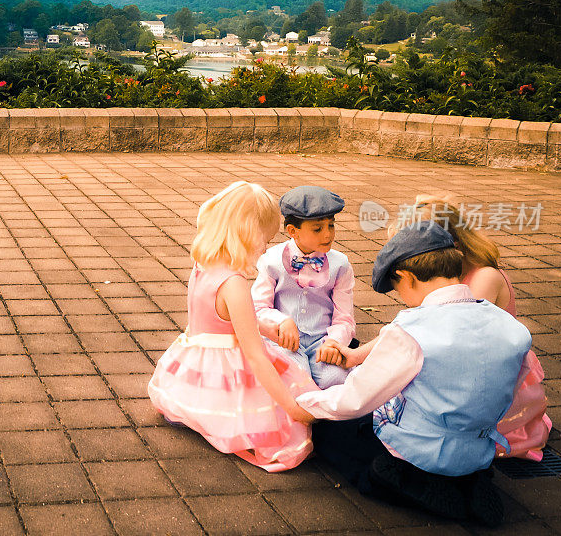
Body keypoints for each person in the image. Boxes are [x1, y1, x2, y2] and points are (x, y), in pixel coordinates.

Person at [298, 221, 533, 526]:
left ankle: (404, 484)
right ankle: (472, 481)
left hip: (417, 451)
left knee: (333, 432)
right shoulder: (513, 329)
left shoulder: (411, 331)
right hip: (477, 449)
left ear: (406, 278)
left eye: (396, 289)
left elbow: (354, 400)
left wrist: (306, 403)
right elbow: (507, 391)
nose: (401, 297)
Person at [147, 181, 316, 472]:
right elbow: (255, 356)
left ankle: (193, 412)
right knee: (284, 412)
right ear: (247, 234)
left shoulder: (203, 265)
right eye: (264, 239)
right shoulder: (234, 284)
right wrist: (291, 407)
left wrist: (265, 329)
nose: (265, 248)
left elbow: (223, 321)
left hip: (196, 361)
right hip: (227, 368)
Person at [406, 196, 551, 461]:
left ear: (455, 244)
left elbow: (456, 330)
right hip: (466, 358)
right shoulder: (454, 272)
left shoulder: (484, 277)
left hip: (490, 368)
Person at [252, 186, 355, 388]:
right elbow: (258, 307)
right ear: (293, 231)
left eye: (331, 226)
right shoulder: (271, 260)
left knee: (336, 380)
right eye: (318, 229)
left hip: (322, 342)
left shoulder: (341, 264)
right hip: (284, 341)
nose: (328, 234)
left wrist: (334, 342)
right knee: (295, 380)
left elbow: (344, 316)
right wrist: (281, 321)